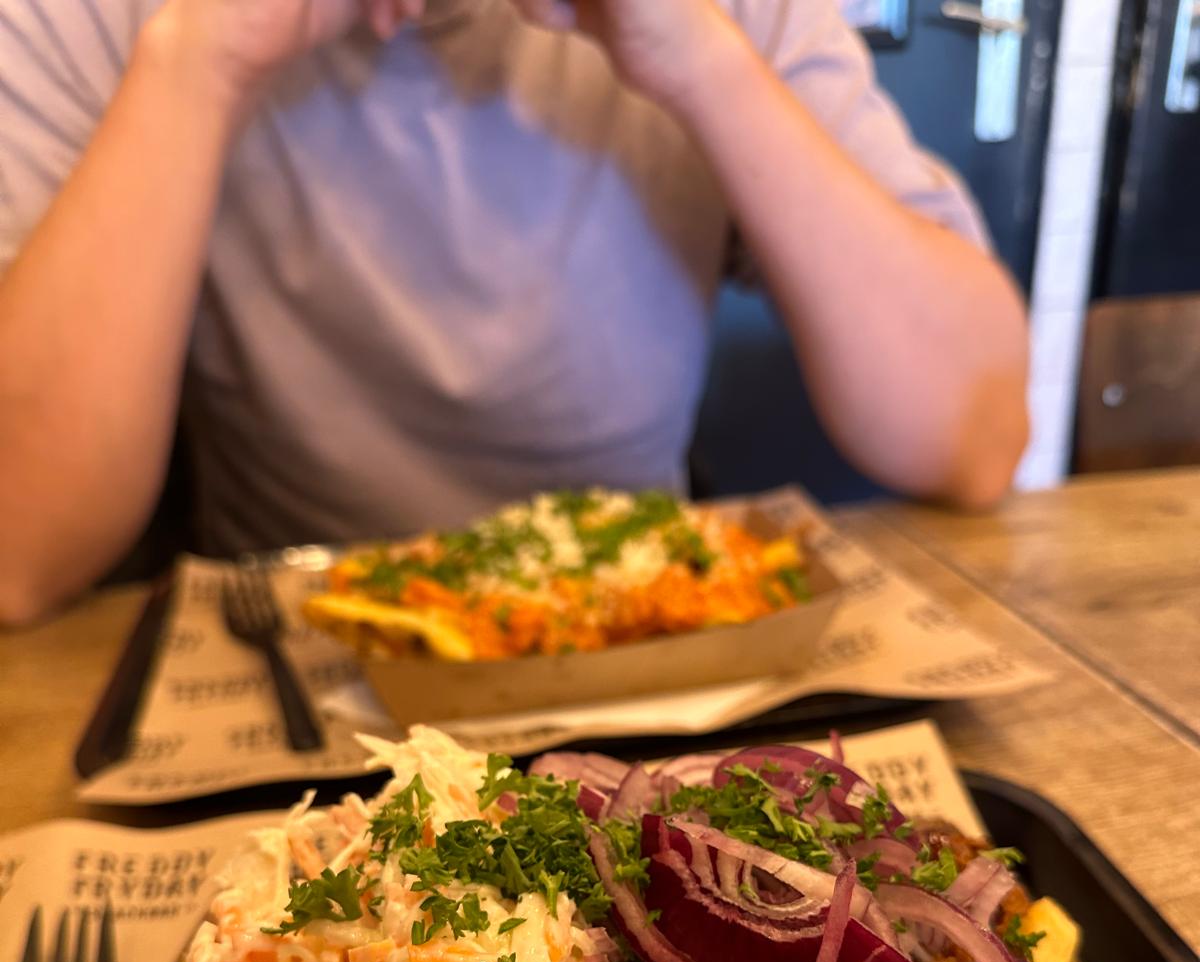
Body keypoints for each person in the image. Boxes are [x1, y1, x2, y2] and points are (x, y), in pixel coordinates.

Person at [0, 0, 1029, 624]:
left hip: (653, 633)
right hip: (287, 644)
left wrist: (704, 63)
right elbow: (18, 550)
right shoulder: (98, 21)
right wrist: (197, 63)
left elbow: (971, 438)